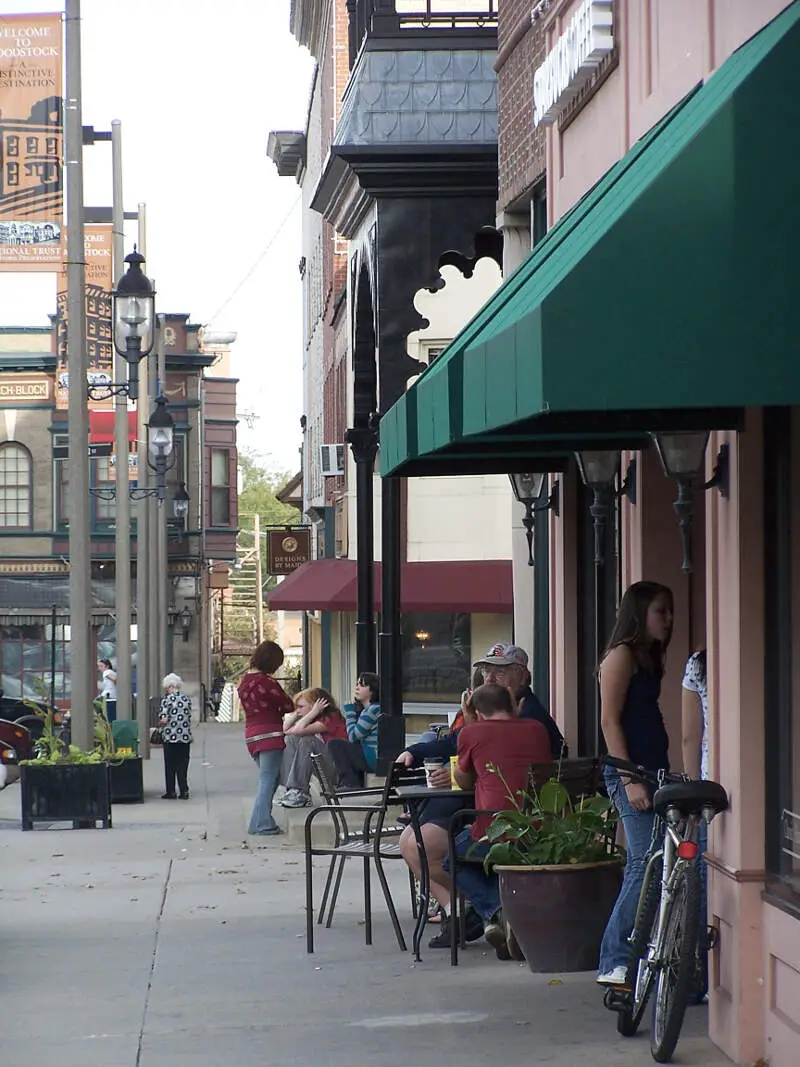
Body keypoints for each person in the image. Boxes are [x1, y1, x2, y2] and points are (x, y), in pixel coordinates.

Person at [596, 580, 673, 985]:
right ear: (639, 613)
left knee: (662, 863)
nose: (669, 619)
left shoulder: (649, 657)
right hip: (631, 772)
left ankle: (646, 953)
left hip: (655, 771)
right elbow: (609, 720)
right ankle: (614, 959)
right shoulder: (621, 656)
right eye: (661, 611)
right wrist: (629, 779)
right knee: (643, 863)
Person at [445, 682, 552, 958]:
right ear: (513, 706)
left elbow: (464, 780)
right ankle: (505, 921)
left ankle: (498, 912)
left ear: (478, 712)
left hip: (494, 832)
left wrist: (468, 725)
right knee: (485, 851)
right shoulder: (537, 729)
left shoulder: (472, 732)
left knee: (452, 856)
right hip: (539, 831)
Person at [396, 686, 482, 942]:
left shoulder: (501, 729)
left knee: (422, 845)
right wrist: (412, 751)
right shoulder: (470, 730)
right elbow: (448, 744)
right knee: (407, 842)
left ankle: (475, 906)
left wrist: (454, 776)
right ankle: (454, 909)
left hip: (474, 807)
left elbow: (486, 774)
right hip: (455, 801)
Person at [472, 643, 567, 758]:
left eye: (500, 672)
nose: (489, 679)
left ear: (522, 677)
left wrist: (471, 725)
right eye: (486, 671)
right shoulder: (499, 707)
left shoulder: (528, 715)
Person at [238, 640, 294, 835]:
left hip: (251, 735)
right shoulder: (268, 683)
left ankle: (260, 820)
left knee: (271, 777)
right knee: (268, 778)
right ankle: (261, 823)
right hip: (270, 734)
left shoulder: (244, 682)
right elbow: (288, 704)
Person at [279, 687, 347, 808]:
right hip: (324, 766)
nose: (298, 710)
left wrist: (313, 712)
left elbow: (298, 730)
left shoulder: (331, 718)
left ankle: (299, 791)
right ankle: (292, 791)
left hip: (338, 771)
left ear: (317, 705)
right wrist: (297, 714)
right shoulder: (311, 719)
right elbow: (285, 730)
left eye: (301, 707)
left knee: (308, 740)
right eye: (296, 707)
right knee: (291, 739)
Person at [327, 672, 381, 789]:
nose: (357, 688)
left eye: (362, 685)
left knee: (335, 744)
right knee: (342, 744)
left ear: (372, 689)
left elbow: (353, 737)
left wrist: (350, 713)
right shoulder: (372, 709)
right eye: (357, 684)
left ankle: (349, 783)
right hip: (372, 755)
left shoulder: (372, 710)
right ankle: (352, 781)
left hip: (372, 757)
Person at [158, 673, 193, 800]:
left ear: (171, 686)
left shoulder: (166, 700)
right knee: (182, 764)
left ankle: (171, 791)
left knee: (170, 764)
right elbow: (188, 716)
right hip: (184, 737)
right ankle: (184, 790)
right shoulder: (186, 699)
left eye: (167, 688)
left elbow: (164, 719)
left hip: (170, 737)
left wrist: (161, 722)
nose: (166, 690)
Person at [98, 658, 117, 723]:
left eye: (101, 666)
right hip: (113, 694)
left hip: (108, 694)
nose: (99, 668)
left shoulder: (106, 672)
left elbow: (114, 679)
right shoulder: (113, 672)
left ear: (107, 666)